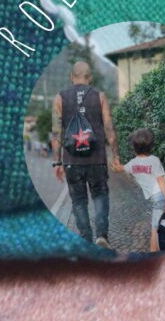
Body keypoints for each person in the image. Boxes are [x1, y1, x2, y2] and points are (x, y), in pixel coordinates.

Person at [52, 58, 116, 249]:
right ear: (90, 78)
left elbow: (56, 133)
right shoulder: (100, 96)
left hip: (72, 161)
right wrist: (117, 155)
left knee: (78, 201)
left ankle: (86, 240)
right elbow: (109, 129)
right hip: (97, 160)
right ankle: (101, 236)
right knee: (100, 196)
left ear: (72, 77)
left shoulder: (59, 98)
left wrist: (57, 163)